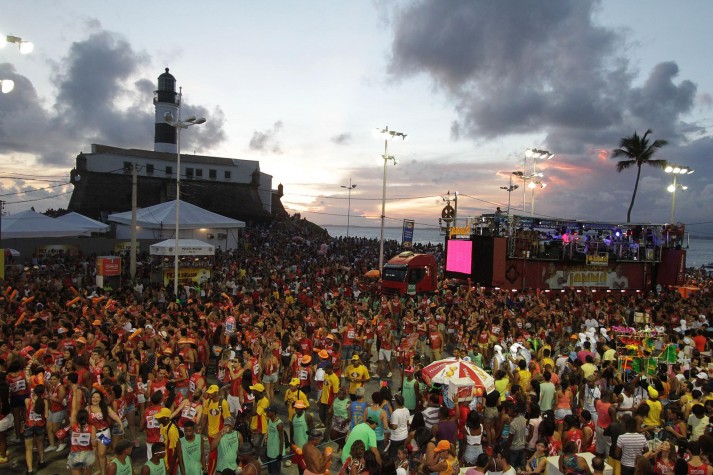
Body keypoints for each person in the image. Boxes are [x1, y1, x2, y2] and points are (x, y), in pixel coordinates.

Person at [202, 384, 230, 475]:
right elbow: (204, 418)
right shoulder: (207, 402)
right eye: (209, 392)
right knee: (214, 454)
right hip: (210, 435)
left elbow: (227, 420)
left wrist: (223, 434)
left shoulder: (223, 403)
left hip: (219, 436)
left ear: (216, 392)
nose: (209, 394)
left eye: (211, 393)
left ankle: (211, 472)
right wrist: (200, 433)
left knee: (213, 456)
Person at [23, 383, 48, 474]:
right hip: (40, 425)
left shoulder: (27, 400)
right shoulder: (44, 402)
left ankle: (30, 470)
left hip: (29, 425)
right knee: (40, 444)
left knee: (28, 449)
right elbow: (46, 415)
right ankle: (42, 461)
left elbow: (27, 411)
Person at [68, 409, 97, 475]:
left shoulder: (73, 426)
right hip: (88, 455)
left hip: (74, 454)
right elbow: (94, 444)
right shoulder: (92, 428)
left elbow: (73, 409)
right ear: (87, 418)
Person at [156, 407, 181, 475]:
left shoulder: (172, 430)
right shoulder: (162, 425)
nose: (157, 418)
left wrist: (171, 468)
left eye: (160, 417)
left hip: (170, 461)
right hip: (163, 459)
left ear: (166, 418)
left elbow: (175, 450)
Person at [265, 405, 285, 475]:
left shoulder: (279, 424)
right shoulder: (269, 420)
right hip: (269, 450)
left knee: (275, 472)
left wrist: (280, 454)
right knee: (270, 471)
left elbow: (281, 440)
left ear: (273, 413)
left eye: (268, 412)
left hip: (275, 452)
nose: (266, 413)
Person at [389, 394, 410, 458]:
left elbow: (394, 427)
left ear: (396, 403)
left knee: (394, 455)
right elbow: (407, 422)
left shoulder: (395, 413)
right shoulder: (406, 410)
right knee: (402, 455)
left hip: (396, 438)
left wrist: (388, 424)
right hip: (404, 435)